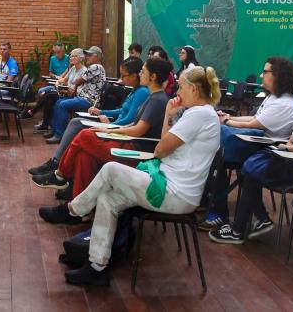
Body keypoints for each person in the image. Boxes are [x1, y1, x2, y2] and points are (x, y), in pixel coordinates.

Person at [38, 66, 222, 287]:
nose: (177, 92)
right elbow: (164, 145)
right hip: (167, 184)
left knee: (111, 169)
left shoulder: (199, 114)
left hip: (175, 193)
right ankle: (97, 268)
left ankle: (73, 210)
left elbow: (161, 150)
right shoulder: (199, 113)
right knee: (108, 199)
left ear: (193, 89)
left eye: (181, 87)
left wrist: (169, 123)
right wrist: (168, 115)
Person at [209, 77, 293, 244]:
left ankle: (243, 227)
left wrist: (289, 148)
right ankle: (247, 225)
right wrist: (289, 147)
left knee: (249, 170)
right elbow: (291, 142)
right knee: (249, 171)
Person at [31, 57, 172, 197]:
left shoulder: (155, 99)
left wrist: (109, 128)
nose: (140, 74)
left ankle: (60, 174)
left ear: (153, 76)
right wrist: (109, 125)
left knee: (85, 135)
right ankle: (76, 204)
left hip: (135, 149)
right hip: (129, 141)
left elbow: (137, 129)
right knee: (84, 155)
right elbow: (133, 123)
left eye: (143, 71)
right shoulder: (152, 97)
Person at [201, 56, 293, 230]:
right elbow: (255, 118)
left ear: (277, 75)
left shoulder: (284, 103)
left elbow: (252, 124)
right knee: (213, 152)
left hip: (268, 153)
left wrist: (225, 122)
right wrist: (229, 117)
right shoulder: (274, 98)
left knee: (216, 155)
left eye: (265, 72)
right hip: (256, 147)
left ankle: (219, 212)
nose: (261, 76)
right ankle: (211, 204)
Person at [45, 46, 106, 143]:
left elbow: (78, 80)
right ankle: (55, 131)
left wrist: (73, 86)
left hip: (89, 101)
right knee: (58, 102)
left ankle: (60, 135)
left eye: (90, 55)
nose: (87, 57)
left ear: (97, 57)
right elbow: (75, 82)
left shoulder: (96, 67)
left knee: (62, 104)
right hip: (81, 97)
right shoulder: (89, 67)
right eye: (87, 55)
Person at [34, 48, 86, 134]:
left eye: (74, 56)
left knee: (50, 96)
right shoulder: (72, 69)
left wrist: (64, 88)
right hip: (65, 92)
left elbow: (75, 89)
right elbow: (63, 80)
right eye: (71, 56)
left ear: (81, 58)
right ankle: (52, 128)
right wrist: (58, 83)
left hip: (73, 95)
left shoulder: (84, 71)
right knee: (49, 98)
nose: (71, 58)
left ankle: (38, 117)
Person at [22, 43, 69, 120]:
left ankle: (34, 113)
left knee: (46, 94)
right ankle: (42, 117)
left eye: (58, 52)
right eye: (55, 52)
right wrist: (56, 77)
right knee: (41, 91)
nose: (56, 54)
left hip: (62, 85)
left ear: (63, 51)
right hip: (54, 81)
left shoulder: (68, 58)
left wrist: (61, 77)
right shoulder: (53, 59)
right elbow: (50, 73)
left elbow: (69, 70)